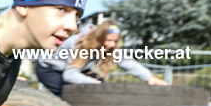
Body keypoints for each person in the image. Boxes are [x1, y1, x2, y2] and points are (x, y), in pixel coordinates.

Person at [36, 20, 167, 95]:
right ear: (99, 38)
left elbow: (127, 62)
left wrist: (150, 77)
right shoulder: (80, 44)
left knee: (101, 86)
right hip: (50, 69)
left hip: (73, 69)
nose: (111, 44)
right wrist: (93, 83)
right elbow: (70, 76)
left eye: (115, 41)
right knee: (68, 96)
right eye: (108, 40)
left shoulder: (108, 47)